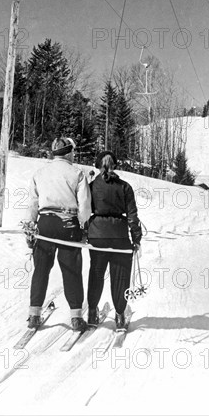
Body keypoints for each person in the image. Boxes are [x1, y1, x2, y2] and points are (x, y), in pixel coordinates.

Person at [26, 137, 92, 332]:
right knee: (71, 270)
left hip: (45, 224)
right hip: (68, 224)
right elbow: (85, 206)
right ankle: (76, 318)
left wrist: (30, 226)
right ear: (69, 152)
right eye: (73, 152)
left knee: (41, 269)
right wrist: (84, 226)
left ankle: (34, 314)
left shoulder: (40, 173)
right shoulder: (77, 173)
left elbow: (32, 203)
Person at [86, 151, 142, 330]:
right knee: (119, 276)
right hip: (119, 236)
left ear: (97, 165)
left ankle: (92, 313)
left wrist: (84, 232)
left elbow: (85, 211)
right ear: (115, 165)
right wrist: (136, 238)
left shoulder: (92, 186)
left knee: (96, 274)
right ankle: (119, 316)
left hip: (97, 236)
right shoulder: (125, 187)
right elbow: (132, 215)